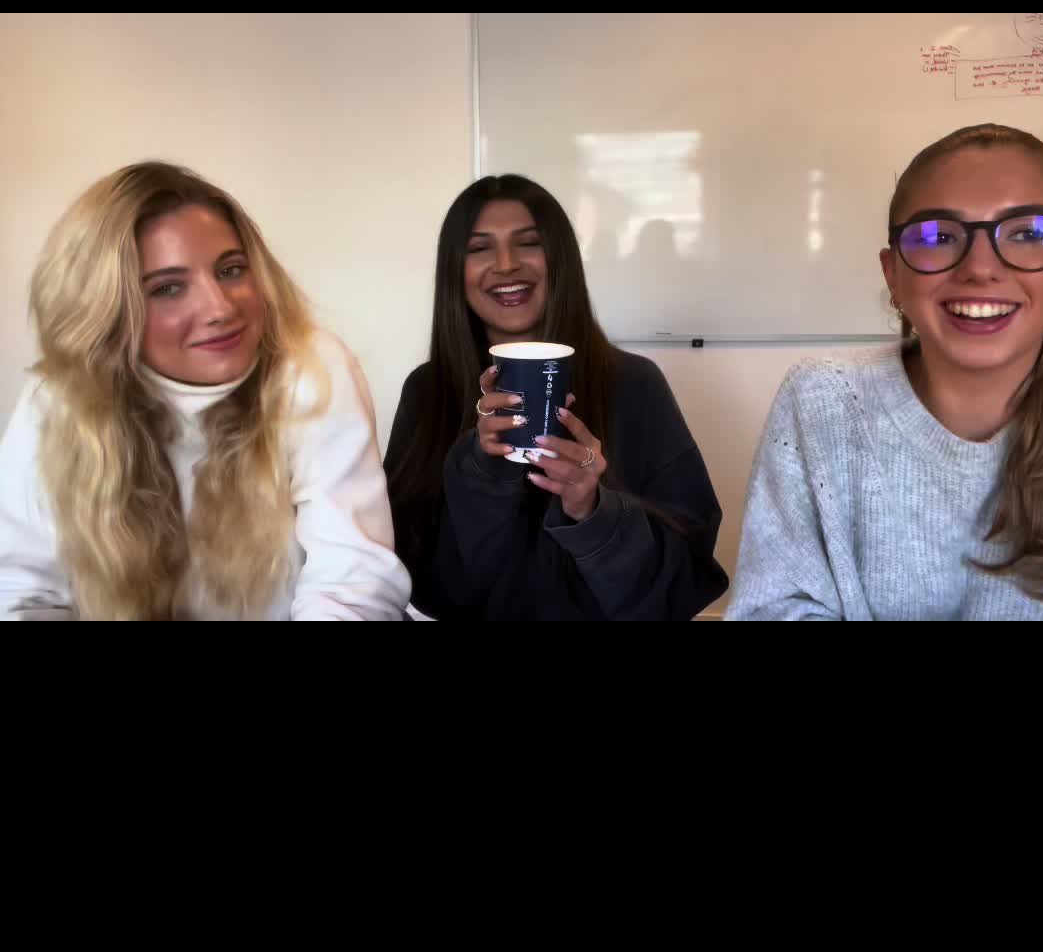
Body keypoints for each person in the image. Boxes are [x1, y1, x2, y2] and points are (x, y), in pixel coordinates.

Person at [0, 162, 411, 621]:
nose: (220, 308)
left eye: (231, 270)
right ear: (105, 310)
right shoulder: (55, 401)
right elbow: (20, 593)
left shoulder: (311, 366)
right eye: (168, 288)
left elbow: (351, 582)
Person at [725, 124, 1043, 621]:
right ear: (892, 272)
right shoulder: (822, 400)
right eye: (938, 236)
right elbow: (770, 609)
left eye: (1028, 234)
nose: (981, 267)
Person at [384, 174, 728, 621]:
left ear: (560, 259)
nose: (506, 264)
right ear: (454, 271)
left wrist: (594, 511)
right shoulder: (428, 391)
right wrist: (482, 473)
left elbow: (688, 571)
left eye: (528, 243)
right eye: (479, 248)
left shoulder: (634, 383)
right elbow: (411, 570)